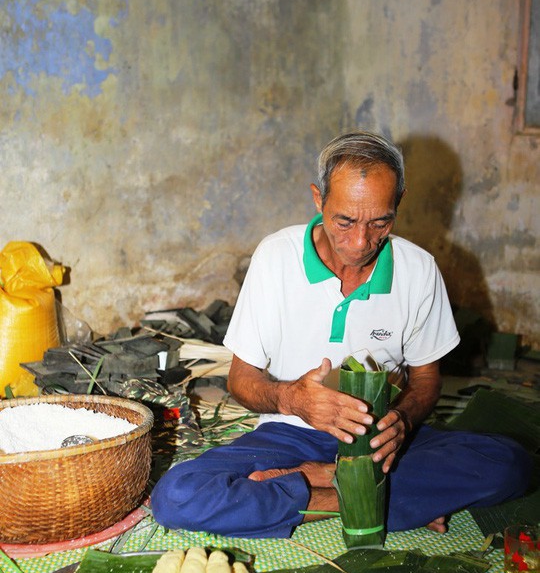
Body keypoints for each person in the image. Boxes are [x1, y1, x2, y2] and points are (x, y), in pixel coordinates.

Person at [151, 131, 531, 538]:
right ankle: (374, 497)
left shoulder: (418, 270)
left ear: (397, 204)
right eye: (344, 221)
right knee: (176, 494)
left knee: (511, 463)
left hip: (379, 441)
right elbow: (241, 381)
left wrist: (402, 419)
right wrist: (292, 398)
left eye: (380, 221)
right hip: (289, 436)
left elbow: (425, 379)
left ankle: (329, 487)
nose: (360, 241)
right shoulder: (276, 258)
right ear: (319, 200)